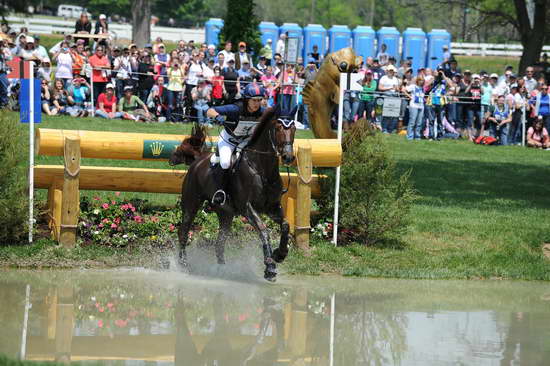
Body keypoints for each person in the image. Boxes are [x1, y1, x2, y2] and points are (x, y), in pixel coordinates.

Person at [205, 83, 266, 205]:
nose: (257, 103)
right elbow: (209, 111)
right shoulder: (235, 108)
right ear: (247, 100)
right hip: (229, 140)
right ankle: (219, 191)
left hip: (245, 142)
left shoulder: (262, 112)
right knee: (225, 162)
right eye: (254, 100)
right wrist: (217, 117)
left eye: (259, 100)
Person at [403, 76, 425, 140]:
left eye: (422, 80)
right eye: (420, 80)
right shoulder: (413, 86)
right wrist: (409, 96)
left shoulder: (422, 88)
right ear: (417, 81)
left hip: (421, 106)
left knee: (419, 122)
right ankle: (409, 136)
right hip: (413, 106)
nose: (421, 81)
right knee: (412, 122)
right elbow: (404, 90)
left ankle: (417, 136)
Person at [166, 57, 186, 122]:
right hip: (170, 88)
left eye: (176, 62)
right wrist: (172, 68)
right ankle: (169, 119)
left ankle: (177, 120)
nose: (175, 63)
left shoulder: (181, 69)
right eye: (174, 62)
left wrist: (180, 67)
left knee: (178, 105)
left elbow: (184, 77)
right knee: (170, 105)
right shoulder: (169, 69)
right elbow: (168, 76)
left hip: (178, 89)